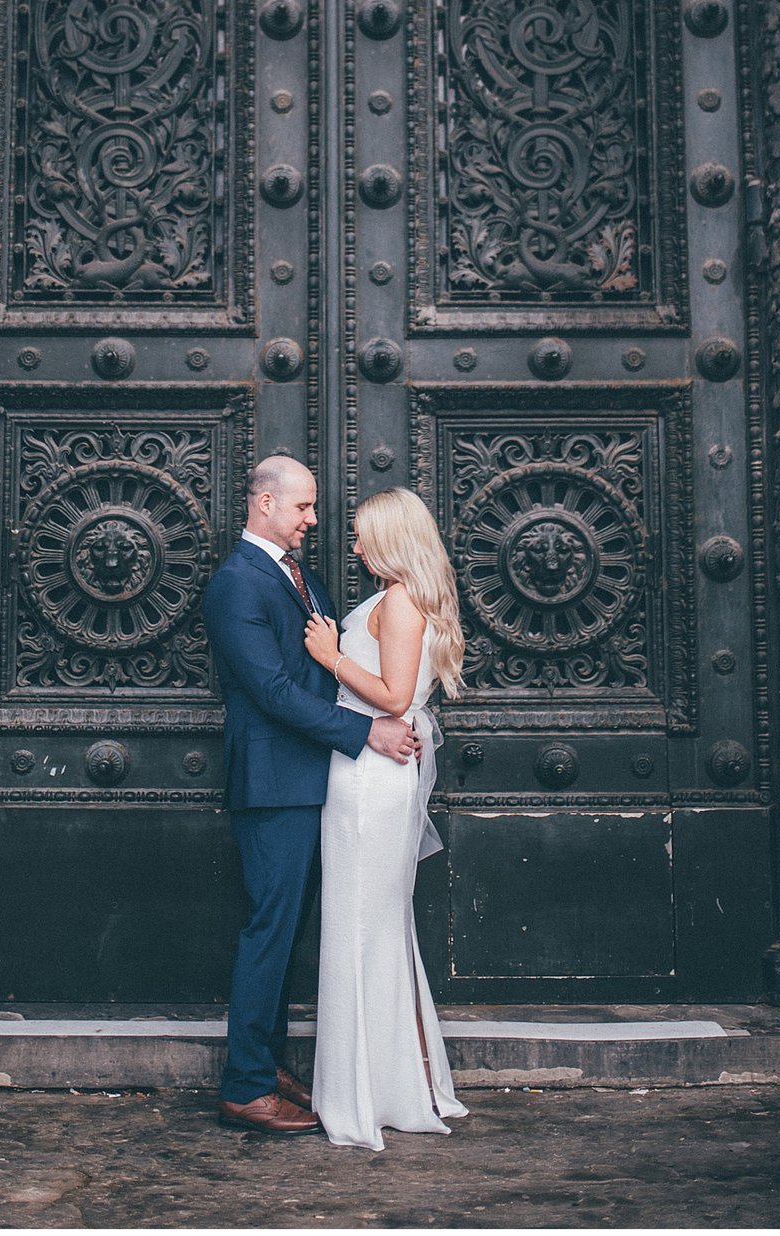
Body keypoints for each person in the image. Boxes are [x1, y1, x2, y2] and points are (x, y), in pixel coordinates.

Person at [203, 455, 419, 1135]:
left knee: (289, 929)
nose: (313, 520)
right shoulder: (236, 583)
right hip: (272, 782)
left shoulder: (297, 574)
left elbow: (326, 664)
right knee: (269, 928)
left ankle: (265, 1065)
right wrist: (367, 733)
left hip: (311, 777)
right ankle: (244, 1087)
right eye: (302, 508)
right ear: (264, 503)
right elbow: (270, 692)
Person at [300, 485, 471, 1149]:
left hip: (371, 780)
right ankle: (388, 1084)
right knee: (373, 928)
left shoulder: (399, 601)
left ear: (393, 539)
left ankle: (363, 1096)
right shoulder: (409, 596)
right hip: (371, 774)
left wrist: (329, 655)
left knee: (360, 927)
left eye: (366, 533)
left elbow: (396, 698)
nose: (357, 544)